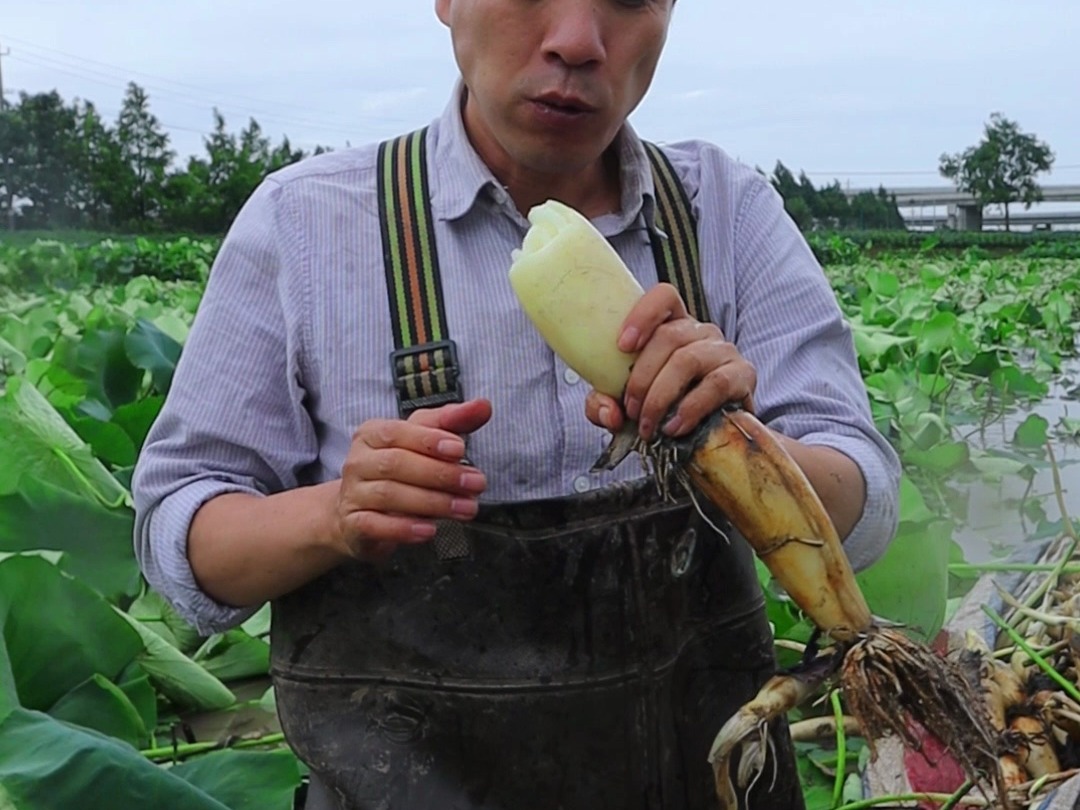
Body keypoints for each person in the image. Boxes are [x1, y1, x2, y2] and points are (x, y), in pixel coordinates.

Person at [133, 1, 901, 808]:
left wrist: (734, 439)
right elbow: (179, 539)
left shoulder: (730, 212)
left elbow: (868, 500)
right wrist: (333, 515)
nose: (577, 40)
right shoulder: (306, 225)